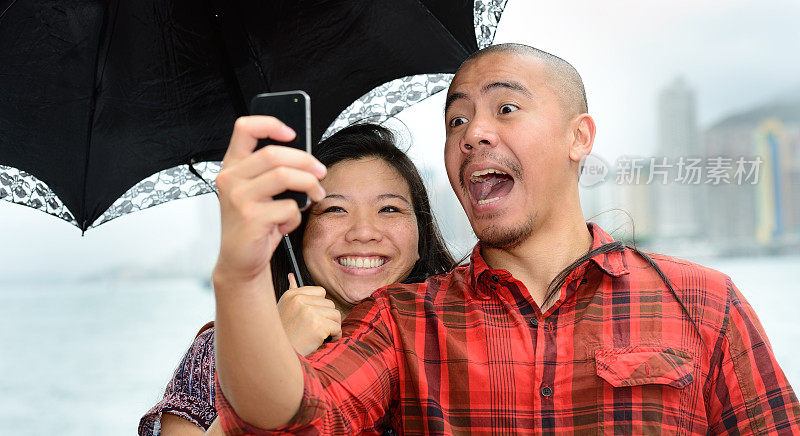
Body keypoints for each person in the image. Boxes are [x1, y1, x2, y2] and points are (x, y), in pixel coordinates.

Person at [212, 44, 800, 434]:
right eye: (457, 121)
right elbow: (291, 418)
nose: (473, 135)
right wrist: (238, 276)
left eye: (507, 107)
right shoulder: (402, 320)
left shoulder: (703, 302)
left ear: (579, 136)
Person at [138, 123, 455, 435]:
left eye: (388, 209)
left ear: (420, 236)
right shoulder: (217, 354)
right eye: (334, 209)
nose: (363, 232)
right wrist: (277, 359)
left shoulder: (452, 343)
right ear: (299, 232)